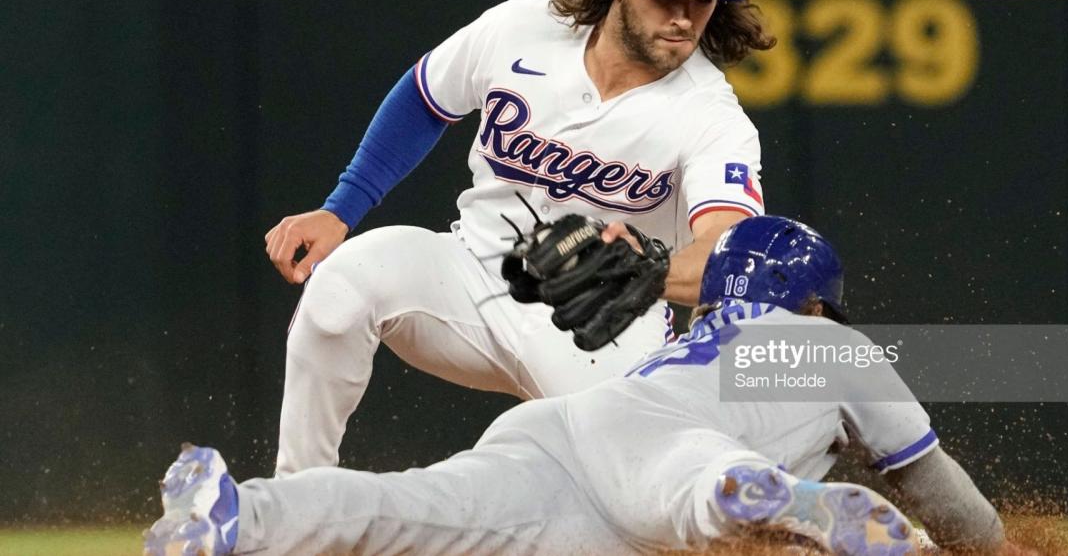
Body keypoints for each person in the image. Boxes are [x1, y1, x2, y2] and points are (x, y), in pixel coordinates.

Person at [261, 0, 775, 476]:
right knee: (342, 286)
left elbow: (728, 249)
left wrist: (648, 273)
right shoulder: (521, 29)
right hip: (470, 274)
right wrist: (341, 208)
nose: (683, 16)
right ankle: (296, 502)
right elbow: (426, 98)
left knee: (630, 494)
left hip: (600, 325)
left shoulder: (711, 114)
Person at [146, 216, 1020, 556]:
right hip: (673, 458)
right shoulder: (830, 346)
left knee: (403, 506)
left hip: (567, 432)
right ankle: (755, 496)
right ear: (818, 300)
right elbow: (937, 489)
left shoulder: (694, 336)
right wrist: (993, 551)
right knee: (699, 488)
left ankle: (239, 513)